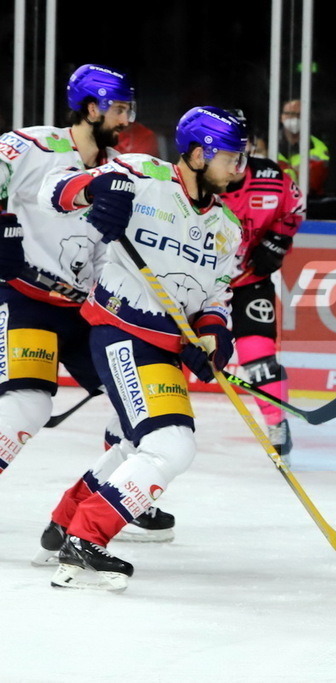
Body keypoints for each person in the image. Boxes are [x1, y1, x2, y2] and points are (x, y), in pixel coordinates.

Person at [42, 106, 246, 591]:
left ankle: (63, 525)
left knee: (139, 445)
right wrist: (97, 190)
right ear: (198, 155)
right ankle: (87, 539)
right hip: (121, 332)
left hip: (163, 347)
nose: (240, 169)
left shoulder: (228, 228)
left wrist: (212, 340)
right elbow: (58, 191)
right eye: (232, 158)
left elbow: (215, 299)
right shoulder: (143, 174)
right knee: (171, 444)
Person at [0, 64, 177, 560]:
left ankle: (89, 509)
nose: (127, 118)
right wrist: (5, 226)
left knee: (136, 416)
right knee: (26, 407)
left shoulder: (122, 168)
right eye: (120, 108)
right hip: (26, 299)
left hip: (85, 311)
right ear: (93, 107)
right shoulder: (33, 146)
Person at [221, 110, 305, 462]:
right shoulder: (193, 182)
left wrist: (275, 243)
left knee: (258, 354)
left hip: (249, 280)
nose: (236, 158)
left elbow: (295, 208)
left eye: (243, 147)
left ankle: (276, 421)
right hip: (194, 283)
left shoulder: (272, 177)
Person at [277, 99, 329, 198]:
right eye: (289, 114)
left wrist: (281, 169)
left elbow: (312, 183)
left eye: (299, 115)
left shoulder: (318, 147)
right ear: (281, 117)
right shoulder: (269, 143)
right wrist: (297, 171)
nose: (294, 119)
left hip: (308, 203)